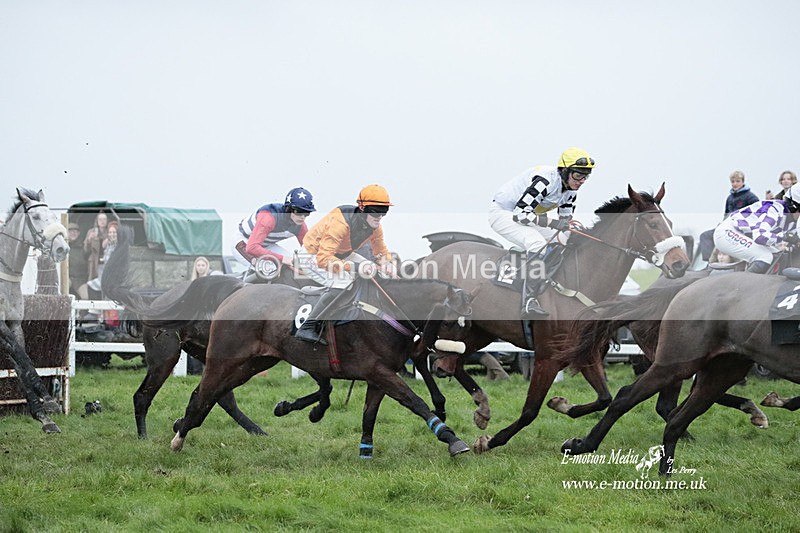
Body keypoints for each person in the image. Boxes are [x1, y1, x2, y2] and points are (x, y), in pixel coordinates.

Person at [489, 147, 595, 318]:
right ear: (565, 171)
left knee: (565, 238)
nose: (581, 181)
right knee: (537, 244)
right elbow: (520, 215)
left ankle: (552, 282)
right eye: (577, 175)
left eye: (585, 177)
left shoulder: (571, 191)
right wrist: (554, 223)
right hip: (504, 214)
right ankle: (529, 299)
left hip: (526, 215)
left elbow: (565, 223)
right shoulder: (545, 181)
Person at [294, 184, 396, 343]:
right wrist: (355, 267)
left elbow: (380, 252)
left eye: (384, 211)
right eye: (375, 211)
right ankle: (308, 326)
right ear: (362, 208)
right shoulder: (340, 224)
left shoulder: (376, 227)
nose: (379, 216)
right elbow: (323, 259)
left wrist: (388, 264)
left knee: (375, 270)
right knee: (344, 281)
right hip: (312, 256)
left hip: (342, 254)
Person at [713, 184, 800, 273]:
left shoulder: (793, 220)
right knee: (765, 257)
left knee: (779, 256)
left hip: (746, 235)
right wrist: (784, 236)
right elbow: (760, 237)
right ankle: (743, 282)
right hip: (728, 232)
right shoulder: (774, 210)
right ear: (794, 206)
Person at [231, 187, 316, 275]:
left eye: (306, 213)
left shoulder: (300, 226)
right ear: (288, 209)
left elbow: (309, 250)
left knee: (294, 264)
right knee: (269, 268)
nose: (302, 217)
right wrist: (282, 259)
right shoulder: (269, 218)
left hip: (266, 245)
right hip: (244, 242)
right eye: (299, 211)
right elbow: (252, 248)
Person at [698, 170, 760, 261]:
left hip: (741, 229)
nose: (735, 184)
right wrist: (722, 224)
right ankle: (709, 262)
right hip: (727, 227)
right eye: (733, 181)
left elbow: (758, 214)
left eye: (738, 181)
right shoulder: (729, 198)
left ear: (743, 182)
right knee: (705, 236)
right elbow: (726, 214)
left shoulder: (751, 197)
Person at [83, 211, 109, 282]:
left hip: (106, 260)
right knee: (93, 281)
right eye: (100, 219)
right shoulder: (91, 231)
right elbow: (85, 249)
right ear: (97, 221)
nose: (102, 221)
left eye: (104, 219)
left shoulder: (110, 232)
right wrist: (89, 240)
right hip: (94, 261)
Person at [66, 222, 89, 298]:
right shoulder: (63, 246)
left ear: (78, 233)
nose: (73, 233)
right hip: (67, 278)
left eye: (75, 231)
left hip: (80, 280)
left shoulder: (83, 246)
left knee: (86, 297)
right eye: (70, 231)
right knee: (62, 293)